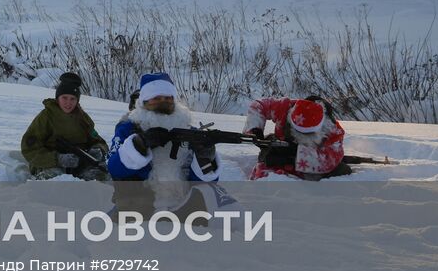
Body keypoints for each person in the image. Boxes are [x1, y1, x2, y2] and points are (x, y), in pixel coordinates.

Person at [108, 72, 221, 216]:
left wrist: (206, 158)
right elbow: (114, 168)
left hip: (183, 207)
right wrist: (140, 145)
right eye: (156, 98)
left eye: (168, 98)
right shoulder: (129, 128)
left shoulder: (188, 130)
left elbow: (206, 184)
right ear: (144, 101)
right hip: (139, 207)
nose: (163, 101)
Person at [20, 72, 109, 180]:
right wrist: (58, 159)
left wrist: (97, 150)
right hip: (49, 165)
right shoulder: (46, 116)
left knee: (98, 177)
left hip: (79, 164)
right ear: (58, 98)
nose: (68, 103)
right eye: (64, 98)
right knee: (57, 181)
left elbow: (99, 141)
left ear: (77, 100)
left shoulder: (82, 117)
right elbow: (29, 149)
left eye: (73, 99)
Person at [244, 96, 347, 180]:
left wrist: (293, 158)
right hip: (278, 148)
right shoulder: (285, 107)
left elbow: (331, 159)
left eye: (306, 134)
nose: (297, 136)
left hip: (303, 167)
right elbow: (259, 105)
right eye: (294, 129)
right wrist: (255, 129)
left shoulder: (333, 131)